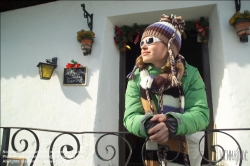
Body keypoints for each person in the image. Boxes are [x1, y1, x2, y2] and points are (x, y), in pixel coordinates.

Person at [123, 14, 210, 166]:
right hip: (153, 147)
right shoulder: (136, 77)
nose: (143, 46)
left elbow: (201, 114)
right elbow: (130, 116)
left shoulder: (190, 73)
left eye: (150, 41)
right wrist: (149, 125)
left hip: (188, 146)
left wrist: (172, 124)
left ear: (169, 45)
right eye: (142, 42)